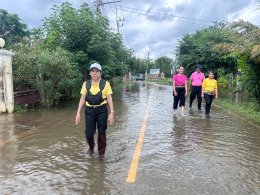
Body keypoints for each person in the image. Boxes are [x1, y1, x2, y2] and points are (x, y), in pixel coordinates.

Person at [75, 63, 115, 160]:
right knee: (89, 133)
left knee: (102, 133)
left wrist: (112, 112)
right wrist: (78, 113)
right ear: (90, 73)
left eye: (97, 71)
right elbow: (82, 99)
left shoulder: (105, 84)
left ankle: (101, 153)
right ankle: (91, 148)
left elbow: (109, 98)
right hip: (89, 111)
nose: (95, 73)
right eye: (93, 71)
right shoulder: (86, 84)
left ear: (100, 73)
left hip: (102, 110)